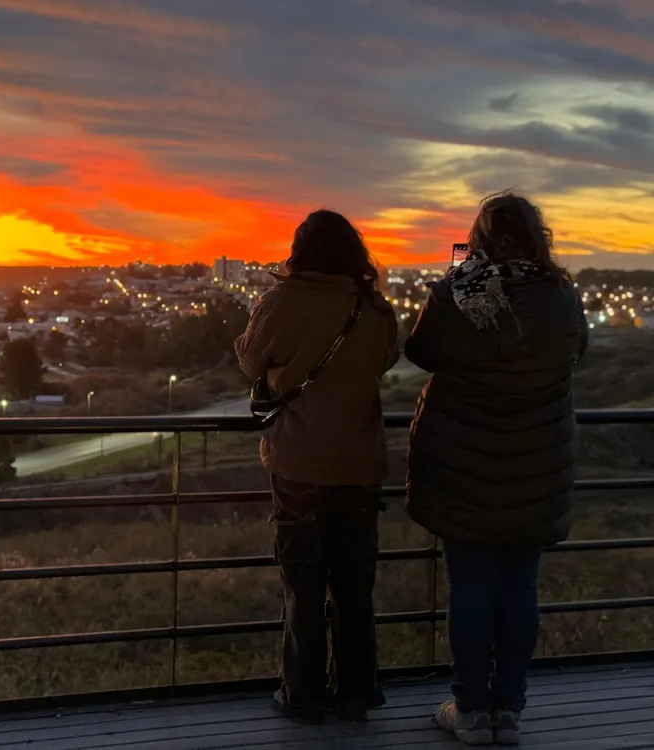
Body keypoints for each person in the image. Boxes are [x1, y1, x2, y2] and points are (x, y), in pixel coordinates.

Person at [405, 192, 588, 746]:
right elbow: (576, 351)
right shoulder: (561, 296)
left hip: (464, 466)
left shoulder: (457, 292)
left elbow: (419, 350)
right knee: (520, 588)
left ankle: (471, 709)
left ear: (477, 240)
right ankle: (509, 710)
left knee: (471, 585)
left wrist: (461, 274)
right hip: (536, 466)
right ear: (540, 237)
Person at [235, 209, 399, 723]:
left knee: (303, 584)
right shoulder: (372, 307)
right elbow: (387, 359)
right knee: (353, 585)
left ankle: (303, 693)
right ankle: (356, 692)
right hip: (358, 461)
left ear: (298, 250)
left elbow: (249, 360)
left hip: (299, 463)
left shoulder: (280, 302)